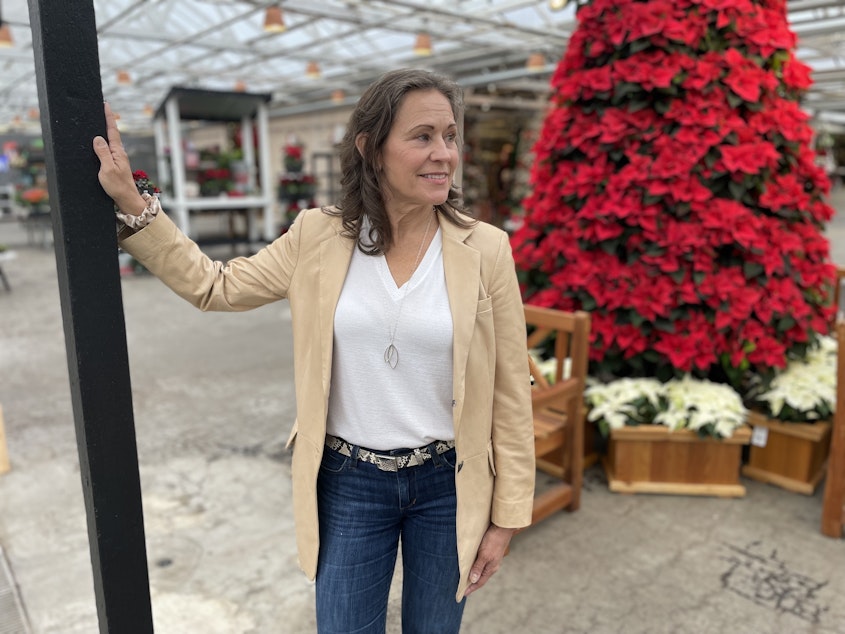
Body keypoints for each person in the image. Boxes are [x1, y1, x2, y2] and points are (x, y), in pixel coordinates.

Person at [94, 68, 535, 634]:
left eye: (450, 136)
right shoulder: (318, 236)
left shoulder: (487, 249)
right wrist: (133, 202)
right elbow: (216, 285)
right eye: (422, 136)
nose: (443, 154)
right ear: (370, 148)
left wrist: (506, 519)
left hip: (448, 483)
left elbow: (509, 390)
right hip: (350, 481)